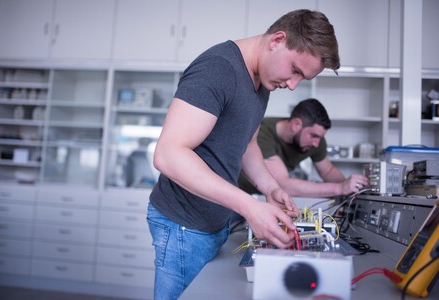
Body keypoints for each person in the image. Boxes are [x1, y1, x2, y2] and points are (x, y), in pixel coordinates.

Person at [147, 9, 340, 300]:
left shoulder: (261, 83)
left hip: (212, 222)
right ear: (277, 40)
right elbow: (168, 154)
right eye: (295, 70)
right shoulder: (219, 68)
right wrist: (249, 207)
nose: (292, 85)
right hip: (183, 225)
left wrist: (270, 187)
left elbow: (247, 144)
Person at [239, 98, 369, 198]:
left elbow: (327, 171)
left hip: (268, 197)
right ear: (296, 124)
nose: (316, 144)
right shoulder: (262, 132)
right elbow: (283, 184)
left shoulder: (314, 140)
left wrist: (351, 188)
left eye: (319, 137)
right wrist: (339, 189)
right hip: (242, 194)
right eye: (314, 136)